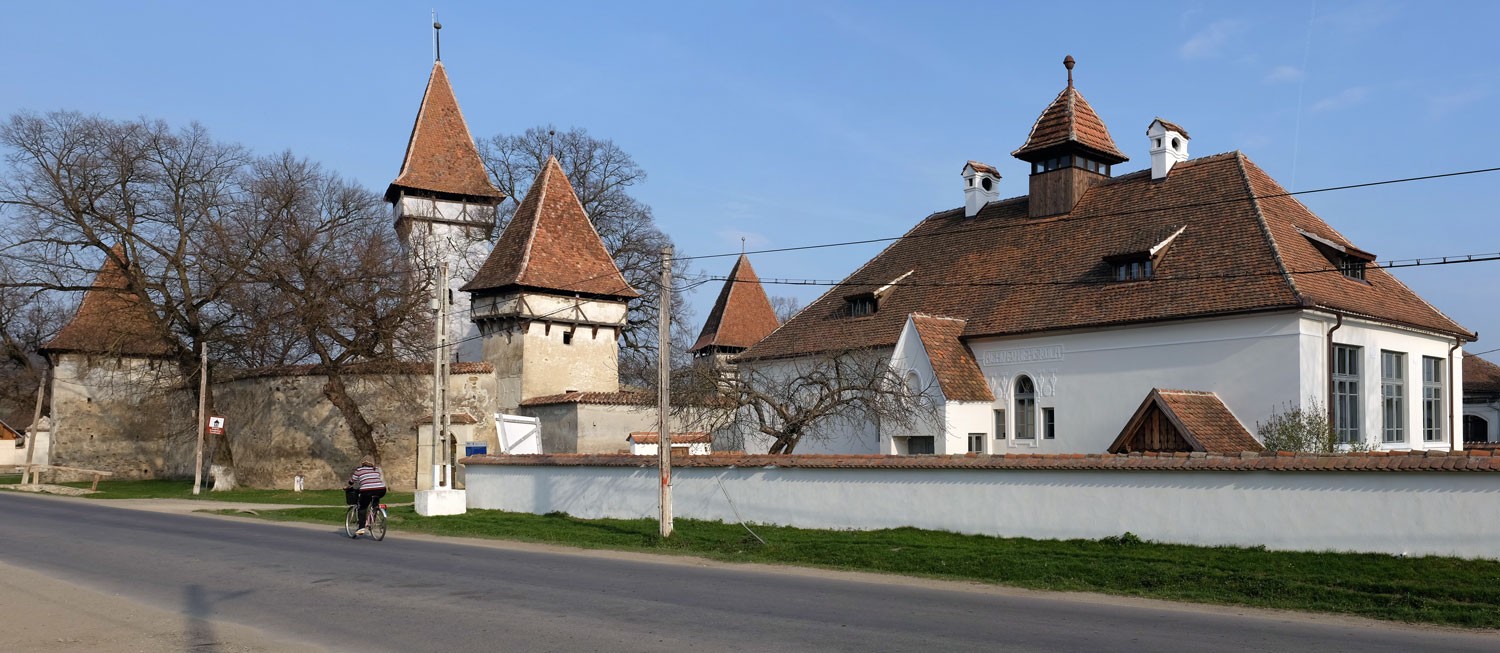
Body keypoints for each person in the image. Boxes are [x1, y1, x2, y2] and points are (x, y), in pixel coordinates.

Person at [346, 456, 386, 535]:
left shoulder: (359, 470)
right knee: (374, 504)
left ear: (362, 462)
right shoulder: (376, 469)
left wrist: (348, 486)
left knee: (362, 507)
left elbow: (352, 480)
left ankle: (361, 528)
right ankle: (374, 516)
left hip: (367, 491)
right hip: (381, 490)